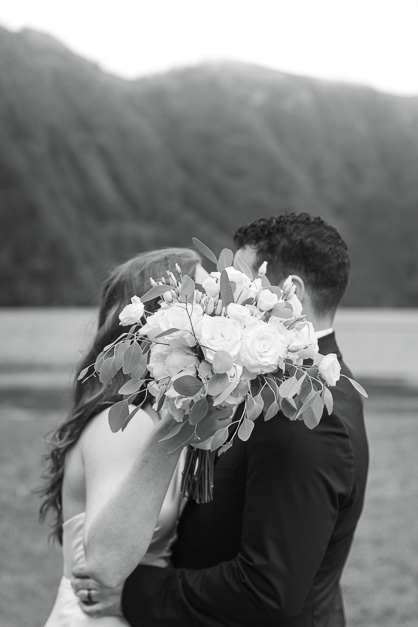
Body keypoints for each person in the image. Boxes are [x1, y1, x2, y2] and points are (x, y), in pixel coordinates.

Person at [73, 213, 369, 627]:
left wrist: (136, 593)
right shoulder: (270, 387)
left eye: (242, 283)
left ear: (290, 293)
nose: (230, 300)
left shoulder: (304, 409)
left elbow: (269, 590)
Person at [39, 247, 233, 626]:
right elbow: (105, 568)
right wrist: (174, 435)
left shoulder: (153, 415)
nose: (215, 311)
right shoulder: (126, 424)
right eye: (204, 299)